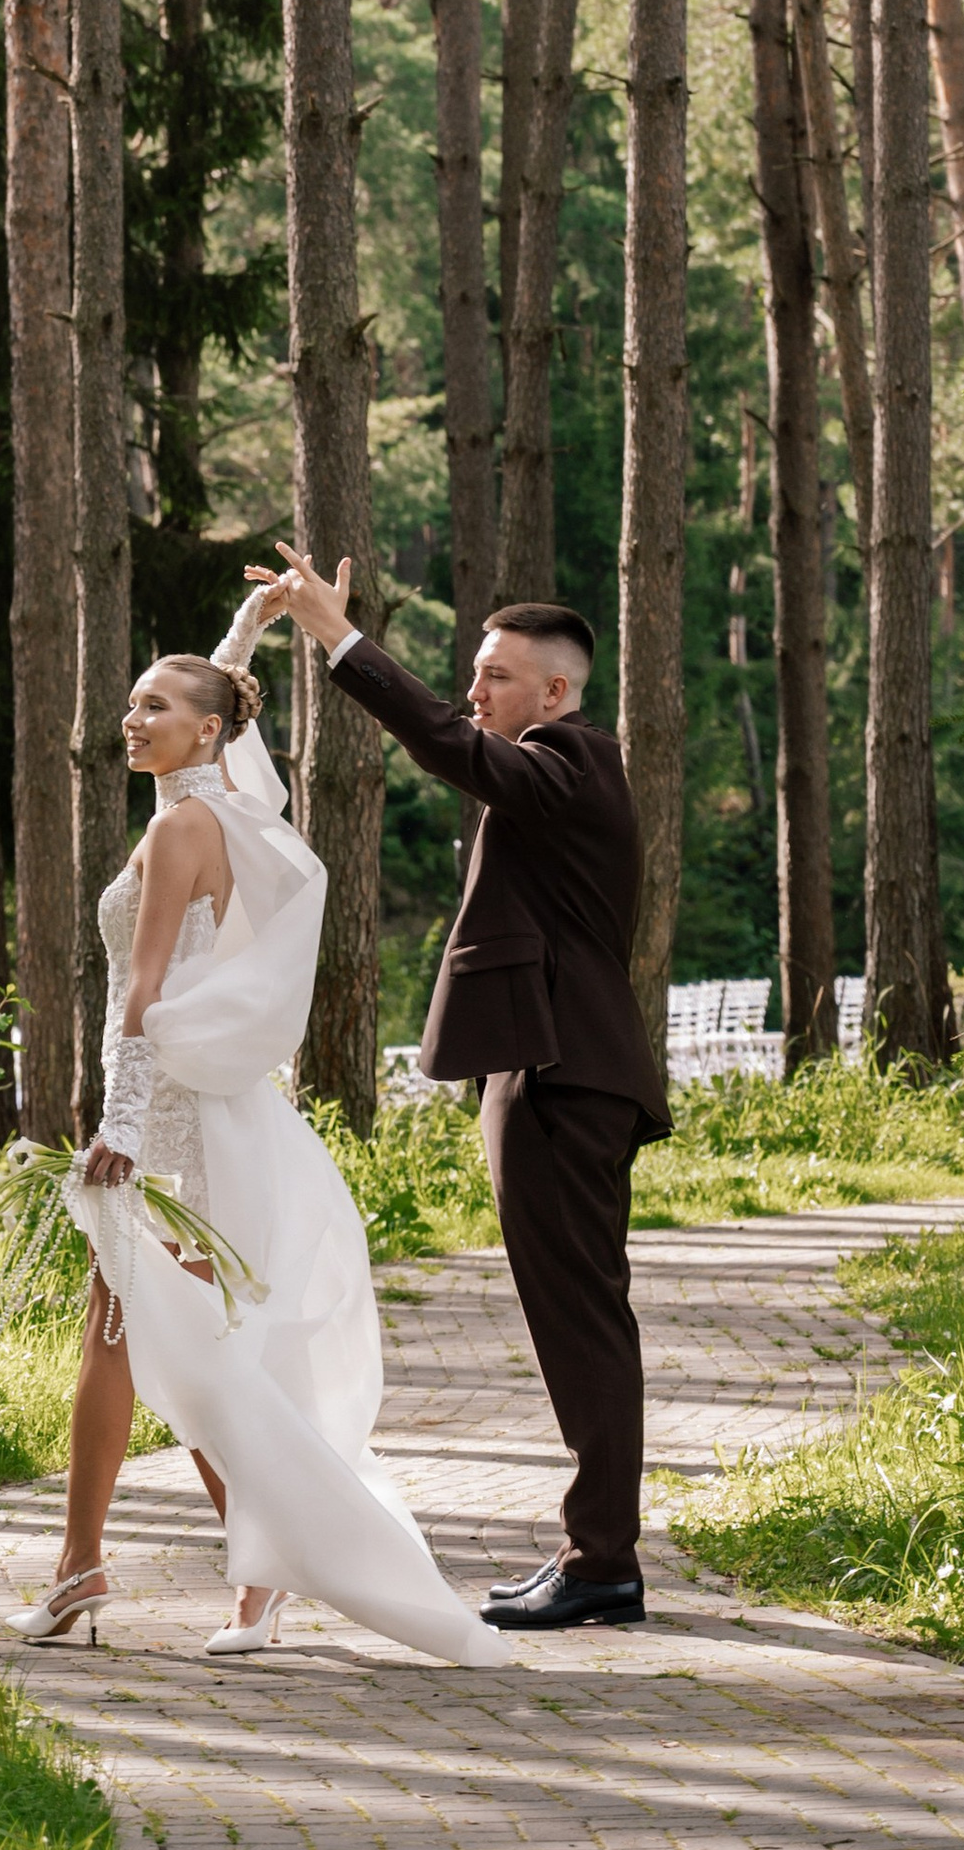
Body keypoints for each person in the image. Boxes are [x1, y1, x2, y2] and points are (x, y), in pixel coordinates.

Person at [8, 604, 500, 1667]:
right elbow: (229, 716)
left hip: (174, 1126)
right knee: (148, 1340)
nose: (130, 718)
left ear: (205, 735)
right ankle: (109, 1566)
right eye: (131, 701)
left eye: (154, 706)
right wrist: (241, 631)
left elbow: (142, 991)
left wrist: (122, 1131)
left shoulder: (180, 827)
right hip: (202, 1117)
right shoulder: (229, 811)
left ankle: (231, 1568)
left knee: (182, 1354)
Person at [249, 546, 667, 1631]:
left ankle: (602, 1564)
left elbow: (445, 743)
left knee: (581, 1322)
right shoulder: (562, 769)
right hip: (551, 1069)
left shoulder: (572, 761)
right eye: (474, 674)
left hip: (563, 1076)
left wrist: (338, 639)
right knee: (577, 1318)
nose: (472, 692)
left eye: (493, 676)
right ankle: (597, 1555)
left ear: (555, 691)